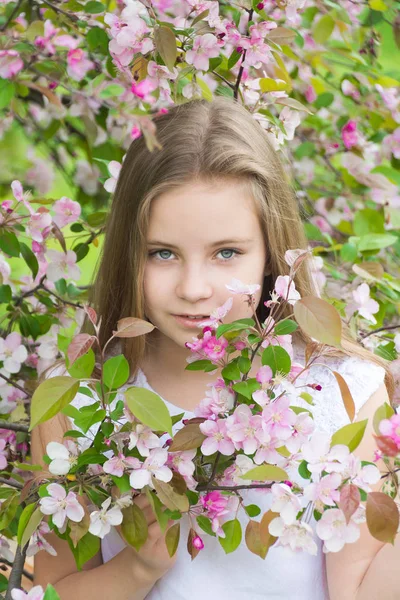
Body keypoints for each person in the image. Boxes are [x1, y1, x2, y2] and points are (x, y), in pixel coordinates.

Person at [31, 97, 396, 600]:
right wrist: (137, 570)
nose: (194, 287)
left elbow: (359, 589)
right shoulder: (77, 402)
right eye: (162, 253)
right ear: (127, 251)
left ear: (270, 250)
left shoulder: (340, 391)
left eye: (227, 253)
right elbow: (51, 591)